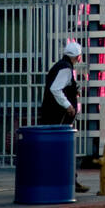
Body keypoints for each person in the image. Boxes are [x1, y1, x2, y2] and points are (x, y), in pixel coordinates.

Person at [39, 41, 89, 192]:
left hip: (52, 114)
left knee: (57, 148)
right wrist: (68, 106)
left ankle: (65, 180)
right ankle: (68, 181)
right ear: (78, 57)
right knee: (62, 148)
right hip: (58, 116)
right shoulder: (66, 69)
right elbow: (56, 89)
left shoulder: (60, 66)